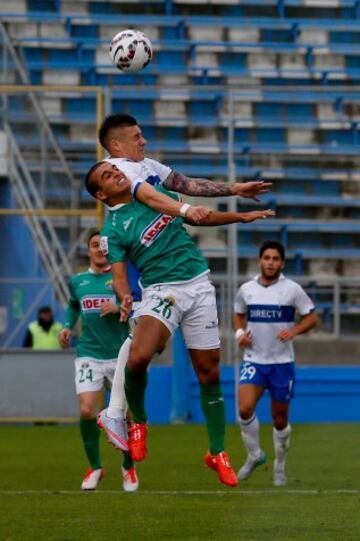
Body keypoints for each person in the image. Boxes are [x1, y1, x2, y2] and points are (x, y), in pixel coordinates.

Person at [85, 160, 275, 488]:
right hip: (162, 290)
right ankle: (139, 423)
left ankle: (217, 452)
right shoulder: (112, 230)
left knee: (209, 371)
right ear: (101, 193)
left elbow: (201, 216)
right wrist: (125, 296)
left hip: (199, 284)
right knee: (140, 357)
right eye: (107, 175)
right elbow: (117, 274)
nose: (116, 173)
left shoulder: (155, 193)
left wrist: (240, 216)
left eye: (113, 170)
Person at [58, 231, 139, 492]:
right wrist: (68, 326)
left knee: (126, 415)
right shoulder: (78, 281)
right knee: (85, 411)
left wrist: (121, 306)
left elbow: (140, 305)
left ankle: (128, 467)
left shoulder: (121, 280)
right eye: (95, 245)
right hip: (88, 354)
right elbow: (72, 305)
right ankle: (95, 467)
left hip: (118, 354)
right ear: (88, 250)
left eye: (103, 245)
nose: (99, 250)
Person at [233, 240, 319, 486]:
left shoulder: (292, 289)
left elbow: (312, 317)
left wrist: (294, 331)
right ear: (260, 261)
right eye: (267, 258)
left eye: (275, 259)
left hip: (282, 363)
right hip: (254, 360)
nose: (270, 262)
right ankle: (255, 455)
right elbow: (238, 314)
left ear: (281, 263)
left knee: (279, 419)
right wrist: (240, 334)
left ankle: (280, 465)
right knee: (244, 409)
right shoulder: (246, 289)